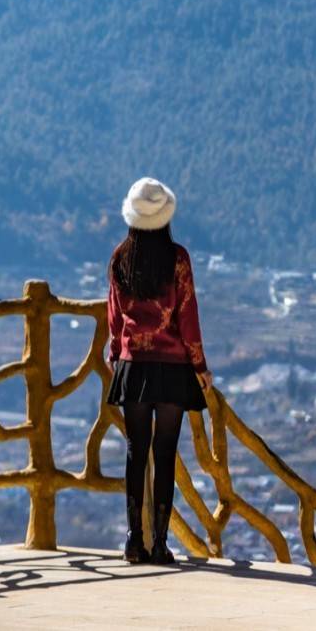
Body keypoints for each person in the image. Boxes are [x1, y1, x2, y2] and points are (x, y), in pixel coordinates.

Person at [106, 176, 212, 565]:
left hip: (133, 368)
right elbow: (188, 318)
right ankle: (161, 543)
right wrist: (200, 366)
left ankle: (134, 540)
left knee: (136, 452)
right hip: (172, 370)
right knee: (165, 452)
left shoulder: (120, 257)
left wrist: (116, 353)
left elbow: (114, 318)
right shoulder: (178, 259)